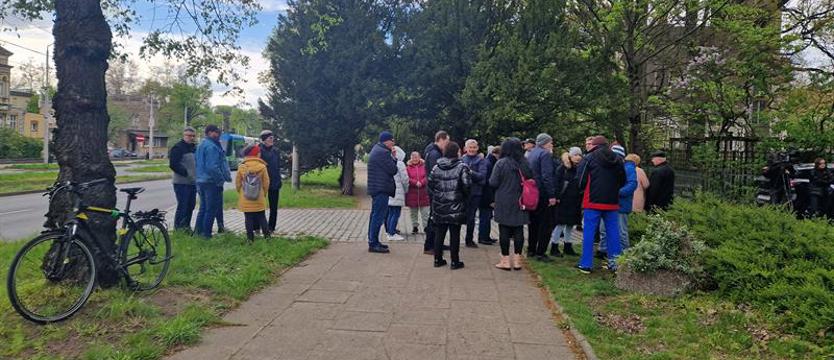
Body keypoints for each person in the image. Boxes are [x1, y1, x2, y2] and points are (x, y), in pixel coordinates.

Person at [575, 136, 625, 273]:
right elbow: (623, 179)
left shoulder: (589, 158)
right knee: (613, 232)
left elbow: (581, 179)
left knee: (589, 232)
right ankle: (615, 264)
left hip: (592, 200)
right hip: (612, 201)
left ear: (595, 145)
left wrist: (582, 190)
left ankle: (586, 264)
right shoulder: (618, 159)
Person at [489, 138, 532, 270]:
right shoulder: (525, 162)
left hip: (504, 199)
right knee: (519, 229)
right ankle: (518, 260)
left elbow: (493, 182)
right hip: (521, 199)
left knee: (504, 230)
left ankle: (505, 260)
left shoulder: (501, 163)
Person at [429, 141, 471, 269]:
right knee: (455, 234)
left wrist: (437, 195)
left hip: (439, 204)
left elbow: (430, 184)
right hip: (456, 205)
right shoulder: (462, 167)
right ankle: (454, 261)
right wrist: (463, 197)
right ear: (457, 152)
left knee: (439, 233)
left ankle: (437, 259)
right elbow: (467, 186)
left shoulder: (436, 167)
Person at [194, 125, 231, 239]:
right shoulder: (212, 147)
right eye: (216, 132)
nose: (218, 135)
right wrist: (220, 180)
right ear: (209, 132)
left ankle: (198, 232)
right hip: (211, 182)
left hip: (200, 180)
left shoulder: (201, 145)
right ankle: (206, 235)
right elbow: (212, 167)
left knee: (203, 208)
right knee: (210, 209)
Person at [599, 145, 637, 252]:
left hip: (620, 204)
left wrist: (616, 192)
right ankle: (603, 249)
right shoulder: (610, 166)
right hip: (608, 202)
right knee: (603, 228)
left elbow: (632, 185)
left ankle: (624, 252)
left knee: (621, 231)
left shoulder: (628, 168)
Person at [526, 133, 557, 262]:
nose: (552, 145)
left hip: (533, 192)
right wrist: (551, 195)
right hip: (543, 193)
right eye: (550, 142)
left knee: (533, 223)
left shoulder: (532, 153)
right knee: (545, 224)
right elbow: (547, 176)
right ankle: (541, 252)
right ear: (545, 143)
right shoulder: (545, 154)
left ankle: (531, 249)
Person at [367, 131, 399, 253]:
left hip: (376, 188)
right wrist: (394, 158)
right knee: (378, 216)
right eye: (392, 141)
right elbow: (393, 170)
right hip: (381, 188)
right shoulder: (383, 152)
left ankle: (373, 241)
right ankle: (373, 243)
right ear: (387, 141)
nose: (393, 143)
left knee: (375, 215)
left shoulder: (377, 149)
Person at [550, 147, 582, 257]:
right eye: (575, 155)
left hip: (575, 200)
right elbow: (556, 183)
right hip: (563, 200)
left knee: (570, 224)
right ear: (570, 156)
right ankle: (554, 246)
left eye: (579, 155)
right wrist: (556, 196)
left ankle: (568, 246)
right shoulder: (562, 168)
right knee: (560, 224)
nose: (578, 157)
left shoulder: (579, 168)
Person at [235, 145, 271, 243]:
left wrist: (241, 192)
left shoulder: (242, 167)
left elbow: (238, 183)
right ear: (257, 154)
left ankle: (250, 239)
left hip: (246, 197)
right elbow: (266, 182)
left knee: (248, 219)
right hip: (259, 197)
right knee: (262, 217)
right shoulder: (262, 167)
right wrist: (263, 193)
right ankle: (267, 237)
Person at [423, 131, 450, 255]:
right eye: (447, 141)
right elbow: (437, 173)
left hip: (433, 189)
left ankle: (436, 242)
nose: (447, 144)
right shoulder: (435, 154)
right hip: (436, 190)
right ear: (441, 139)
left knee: (435, 217)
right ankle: (430, 246)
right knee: (434, 218)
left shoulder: (431, 150)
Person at [461, 139, 489, 248]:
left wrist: (470, 172)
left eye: (474, 147)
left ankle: (469, 240)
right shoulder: (462, 159)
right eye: (470, 147)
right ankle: (456, 240)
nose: (472, 149)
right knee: (459, 217)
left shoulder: (481, 160)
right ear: (465, 148)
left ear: (477, 148)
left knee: (471, 217)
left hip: (475, 193)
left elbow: (482, 176)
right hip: (462, 193)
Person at [169, 127, 197, 232]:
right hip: (181, 183)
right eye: (189, 136)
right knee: (183, 206)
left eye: (193, 136)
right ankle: (178, 229)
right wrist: (186, 173)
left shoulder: (194, 148)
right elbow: (173, 164)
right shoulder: (178, 148)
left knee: (191, 205)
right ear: (184, 136)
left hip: (192, 182)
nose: (191, 138)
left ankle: (186, 227)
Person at [258, 130, 283, 233]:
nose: (272, 140)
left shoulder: (276, 151)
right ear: (264, 140)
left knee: (274, 207)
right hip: (261, 181)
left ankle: (271, 227)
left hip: (274, 181)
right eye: (270, 138)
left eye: (272, 138)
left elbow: (278, 165)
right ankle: (258, 226)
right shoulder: (258, 150)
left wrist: (279, 178)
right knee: (259, 205)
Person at [385, 146, 409, 241]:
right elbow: (405, 179)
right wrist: (406, 189)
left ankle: (389, 231)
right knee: (396, 213)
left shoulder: (389, 162)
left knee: (391, 213)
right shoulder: (400, 164)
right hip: (398, 192)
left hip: (390, 190)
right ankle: (391, 233)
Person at [478, 145, 501, 245]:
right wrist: (491, 199)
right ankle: (483, 237)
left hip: (484, 195)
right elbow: (489, 184)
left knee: (486, 216)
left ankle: (485, 236)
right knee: (485, 217)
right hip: (486, 196)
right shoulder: (490, 164)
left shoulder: (488, 162)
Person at [406, 151, 430, 234]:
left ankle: (426, 227)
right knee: (413, 212)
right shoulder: (407, 168)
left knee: (425, 212)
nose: (415, 159)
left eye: (416, 157)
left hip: (424, 192)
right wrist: (415, 182)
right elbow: (407, 178)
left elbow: (427, 176)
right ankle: (415, 226)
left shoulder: (425, 166)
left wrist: (422, 182)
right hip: (412, 192)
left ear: (419, 157)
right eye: (413, 157)